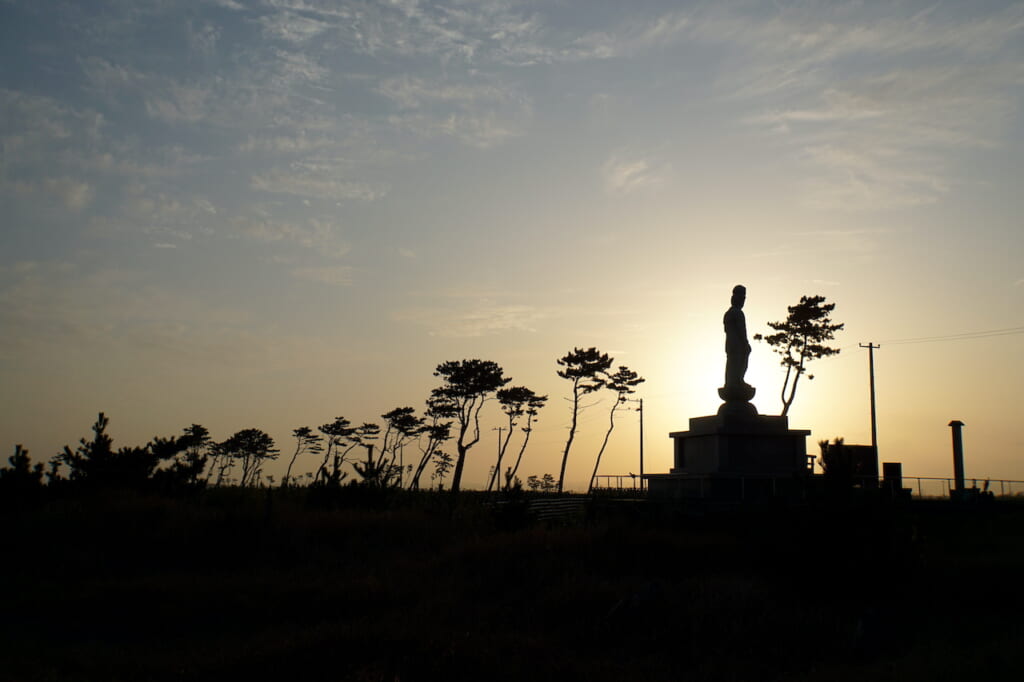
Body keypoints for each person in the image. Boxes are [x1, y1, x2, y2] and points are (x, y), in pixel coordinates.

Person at [723, 284, 752, 390]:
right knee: (737, 363)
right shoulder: (737, 313)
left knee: (732, 363)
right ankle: (737, 381)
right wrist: (745, 344)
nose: (743, 300)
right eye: (742, 297)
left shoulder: (728, 313)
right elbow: (741, 331)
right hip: (737, 345)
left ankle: (733, 382)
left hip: (730, 344)